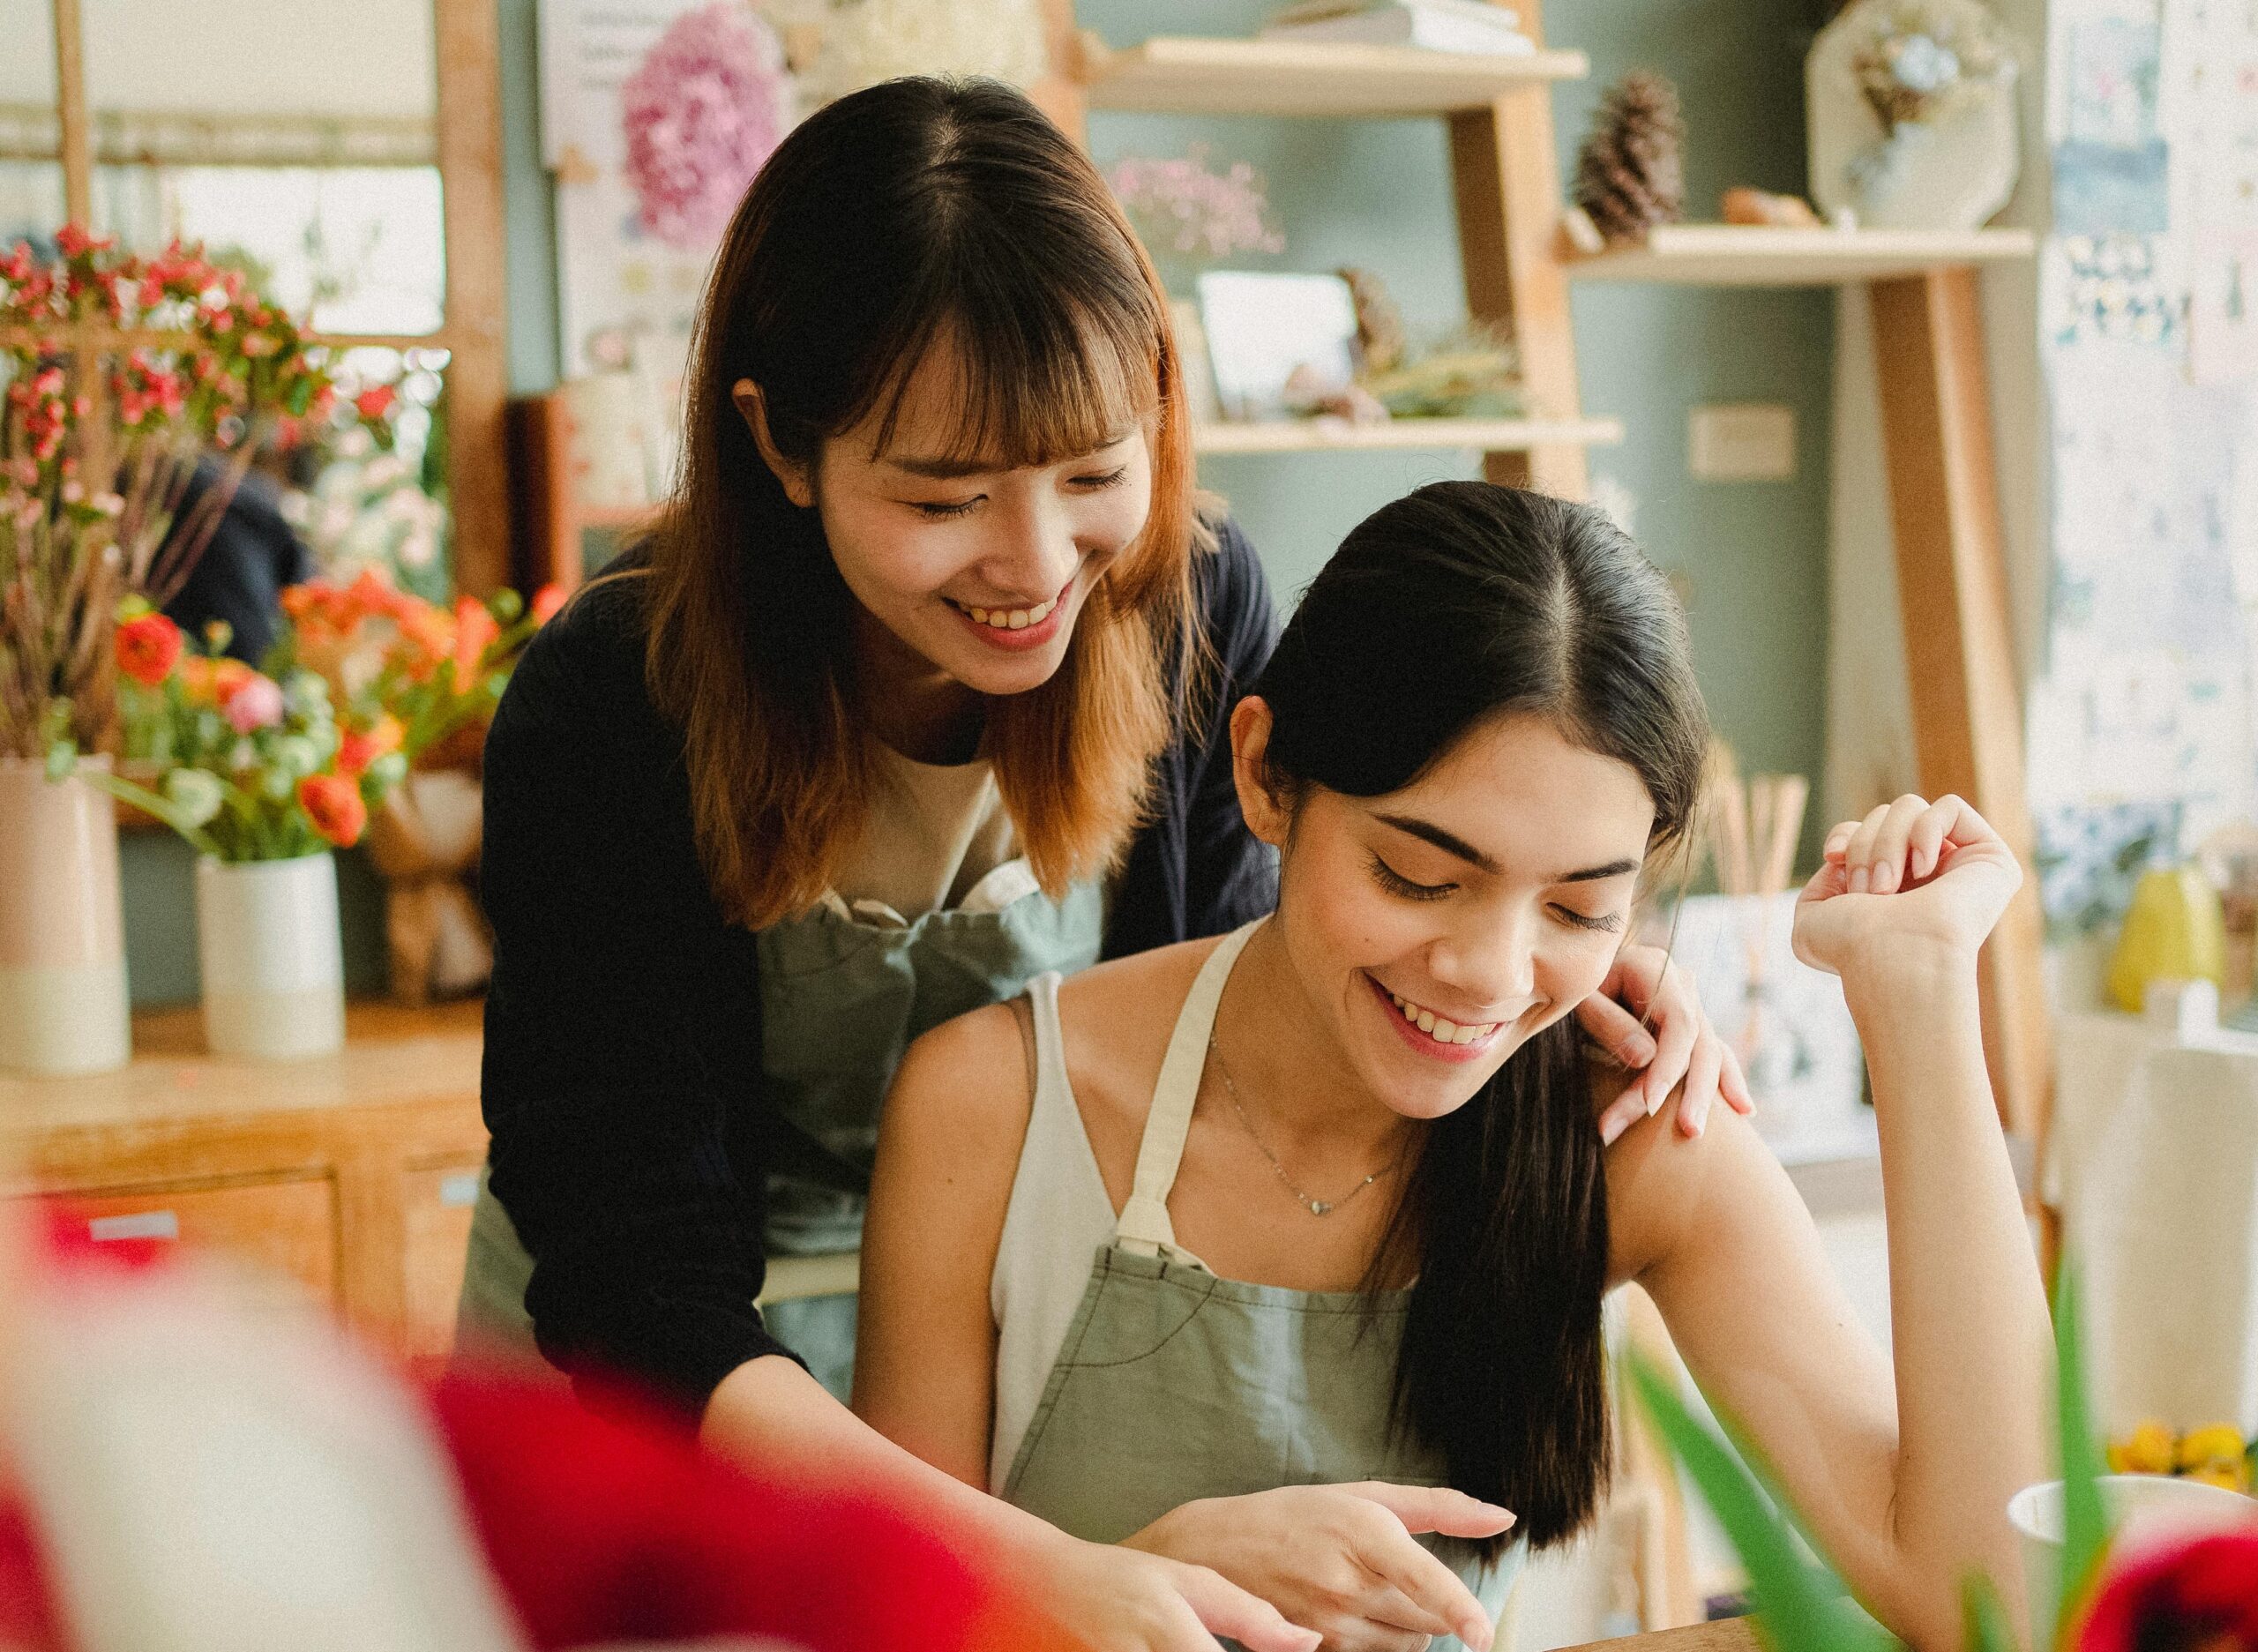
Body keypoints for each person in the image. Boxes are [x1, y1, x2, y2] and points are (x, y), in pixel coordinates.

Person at [467, 79, 1738, 1652]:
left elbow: (1252, 1006)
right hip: (672, 1386)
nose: (1034, 562)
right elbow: (635, 1278)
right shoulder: (613, 699)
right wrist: (1018, 1562)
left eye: (1089, 472)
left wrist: (1552, 945)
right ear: (780, 444)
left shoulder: (1195, 612)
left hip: (994, 1339)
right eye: (942, 496)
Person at [857, 482, 2052, 1652]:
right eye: (1421, 876)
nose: (1488, 973)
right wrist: (1133, 1582)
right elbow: (871, 1620)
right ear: (1267, 774)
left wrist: (1922, 987)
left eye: (1579, 908)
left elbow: (1996, 1600)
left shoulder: (1631, 1130)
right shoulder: (997, 1103)